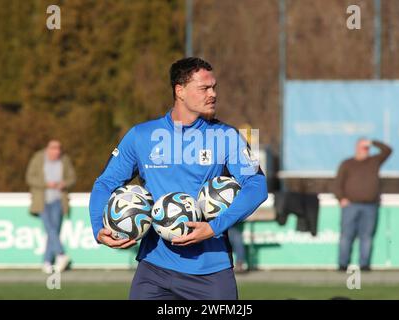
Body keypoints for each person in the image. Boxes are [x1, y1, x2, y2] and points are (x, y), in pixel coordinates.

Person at [89, 57, 268, 300]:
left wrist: (214, 227)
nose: (213, 94)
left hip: (211, 271)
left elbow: (257, 186)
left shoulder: (226, 136)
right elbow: (105, 183)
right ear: (180, 91)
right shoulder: (141, 136)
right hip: (154, 269)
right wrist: (99, 228)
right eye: (204, 88)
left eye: (214, 87)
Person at [334, 138, 392, 271]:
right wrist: (341, 198)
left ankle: (364, 265)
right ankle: (343, 265)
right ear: (356, 148)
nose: (364, 150)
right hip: (350, 206)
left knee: (366, 236)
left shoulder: (374, 162)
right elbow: (337, 184)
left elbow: (388, 151)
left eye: (366, 148)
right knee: (346, 235)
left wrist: (372, 142)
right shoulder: (347, 164)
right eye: (362, 147)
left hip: (370, 206)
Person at [26, 139, 76, 274]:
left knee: (53, 231)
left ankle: (47, 262)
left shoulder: (64, 160)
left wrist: (63, 183)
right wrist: (46, 184)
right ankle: (61, 254)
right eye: (53, 148)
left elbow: (72, 178)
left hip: (59, 200)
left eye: (58, 149)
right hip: (42, 201)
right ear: (47, 149)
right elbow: (30, 177)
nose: (56, 151)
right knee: (50, 229)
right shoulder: (38, 158)